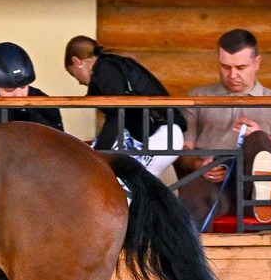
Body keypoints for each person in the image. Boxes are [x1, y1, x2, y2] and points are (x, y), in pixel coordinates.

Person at [176, 29, 271, 228]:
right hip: (212, 180)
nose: (232, 75)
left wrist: (264, 138)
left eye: (241, 67)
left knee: (258, 138)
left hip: (250, 184)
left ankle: (262, 197)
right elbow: (184, 151)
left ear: (257, 63)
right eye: (225, 67)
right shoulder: (197, 97)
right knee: (192, 193)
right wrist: (200, 165)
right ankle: (195, 247)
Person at [64, 35, 186, 177]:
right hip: (160, 133)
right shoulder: (111, 66)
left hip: (162, 135)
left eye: (73, 74)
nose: (79, 82)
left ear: (77, 61)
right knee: (132, 181)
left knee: (134, 181)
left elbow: (117, 114)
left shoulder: (105, 69)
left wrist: (98, 152)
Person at [0, 42, 63, 137]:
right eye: (9, 90)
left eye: (23, 87)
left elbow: (59, 143)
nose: (19, 95)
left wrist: (29, 114)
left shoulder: (45, 104)